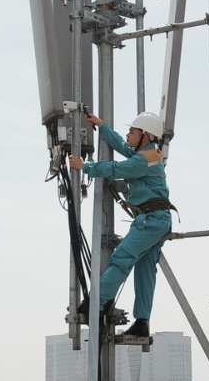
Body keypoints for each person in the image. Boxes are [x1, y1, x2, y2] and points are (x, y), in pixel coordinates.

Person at [69, 111, 171, 338]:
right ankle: (142, 322)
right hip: (157, 220)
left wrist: (85, 167)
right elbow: (125, 150)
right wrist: (103, 127)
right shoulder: (150, 154)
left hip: (150, 220)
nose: (128, 135)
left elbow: (116, 168)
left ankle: (96, 303)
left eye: (132, 132)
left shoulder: (142, 161)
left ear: (144, 136)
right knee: (145, 271)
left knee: (122, 259)